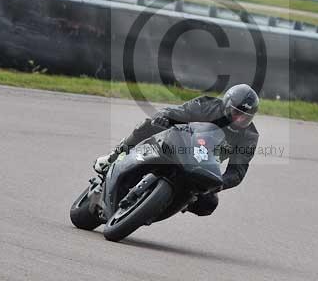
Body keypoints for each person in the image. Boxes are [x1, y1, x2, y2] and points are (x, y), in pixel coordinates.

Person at [93, 84, 260, 216]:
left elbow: (237, 171)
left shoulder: (249, 136)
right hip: (181, 144)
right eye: (235, 112)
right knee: (149, 125)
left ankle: (180, 201)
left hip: (204, 165)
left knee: (209, 204)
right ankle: (114, 156)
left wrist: (221, 184)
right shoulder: (207, 105)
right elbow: (177, 112)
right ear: (226, 105)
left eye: (244, 117)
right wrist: (164, 118)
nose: (238, 119)